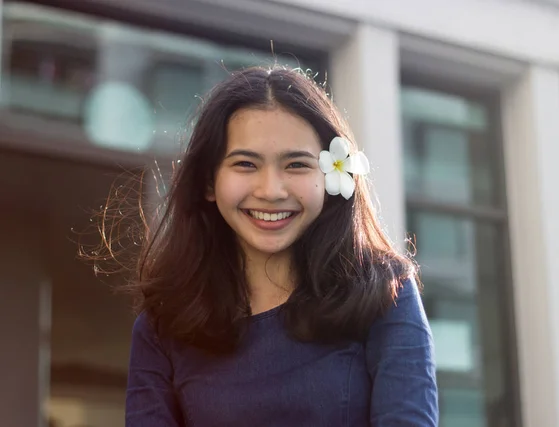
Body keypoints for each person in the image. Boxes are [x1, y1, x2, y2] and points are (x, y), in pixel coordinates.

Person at [123, 66, 438, 426]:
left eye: (296, 165)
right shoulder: (163, 327)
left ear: (332, 178)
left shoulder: (385, 294)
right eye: (245, 164)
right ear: (209, 182)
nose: (271, 190)